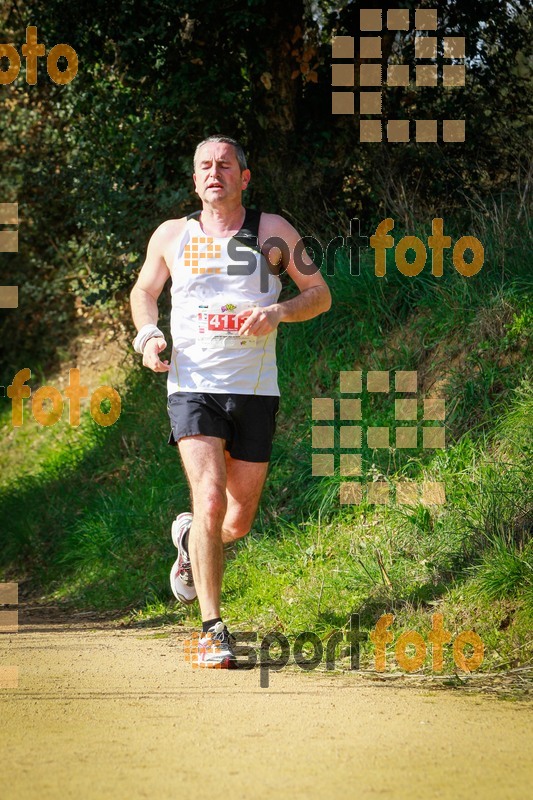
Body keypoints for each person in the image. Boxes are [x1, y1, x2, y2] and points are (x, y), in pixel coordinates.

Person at [130, 135, 331, 667]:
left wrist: (280, 312)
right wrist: (148, 336)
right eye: (204, 166)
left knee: (235, 521)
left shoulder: (272, 232)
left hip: (256, 389)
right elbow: (144, 292)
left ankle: (191, 539)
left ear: (245, 177)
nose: (213, 172)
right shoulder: (173, 235)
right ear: (195, 180)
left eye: (224, 164)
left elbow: (320, 294)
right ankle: (213, 629)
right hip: (192, 386)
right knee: (211, 495)